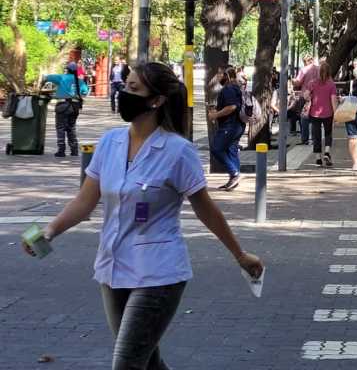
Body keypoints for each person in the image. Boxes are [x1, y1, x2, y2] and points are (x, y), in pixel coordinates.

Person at [21, 62, 264, 370]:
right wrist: (50, 230)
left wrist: (239, 254)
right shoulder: (110, 142)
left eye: (134, 88)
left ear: (157, 100)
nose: (123, 93)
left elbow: (205, 208)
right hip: (112, 267)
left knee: (127, 365)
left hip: (158, 271)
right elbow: (85, 200)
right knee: (147, 363)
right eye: (125, 86)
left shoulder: (178, 151)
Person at [207, 68, 245, 190]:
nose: (218, 77)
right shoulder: (235, 87)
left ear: (226, 75)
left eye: (219, 75)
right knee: (231, 150)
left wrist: (215, 115)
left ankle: (234, 173)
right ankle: (234, 179)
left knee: (216, 148)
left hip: (230, 125)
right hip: (236, 125)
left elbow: (232, 106)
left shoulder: (229, 89)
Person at [50, 62, 87, 157]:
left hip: (62, 105)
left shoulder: (62, 77)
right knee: (71, 128)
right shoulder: (80, 81)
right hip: (74, 107)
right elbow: (85, 91)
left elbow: (47, 77)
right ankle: (74, 150)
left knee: (61, 128)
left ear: (67, 69)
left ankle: (61, 150)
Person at [308, 65, 338, 167]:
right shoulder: (331, 85)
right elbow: (334, 101)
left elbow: (306, 95)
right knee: (328, 133)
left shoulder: (313, 83)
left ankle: (318, 158)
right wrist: (336, 115)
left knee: (316, 135)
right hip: (328, 113)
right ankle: (327, 152)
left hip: (314, 113)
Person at [292, 56, 319, 145]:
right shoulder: (319, 69)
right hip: (318, 96)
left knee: (303, 117)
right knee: (316, 117)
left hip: (306, 95)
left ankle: (305, 139)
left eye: (304, 61)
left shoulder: (304, 70)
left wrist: (293, 80)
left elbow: (298, 82)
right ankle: (316, 138)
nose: (304, 63)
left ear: (307, 61)